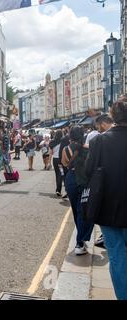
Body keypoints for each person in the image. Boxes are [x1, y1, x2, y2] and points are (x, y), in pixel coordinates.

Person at [85, 99, 127, 300]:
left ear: (113, 117)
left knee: (117, 256)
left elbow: (88, 172)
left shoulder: (98, 141)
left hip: (108, 207)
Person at [62, 126, 93, 256]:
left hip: (71, 180)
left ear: (70, 136)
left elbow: (64, 164)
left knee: (76, 209)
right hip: (85, 181)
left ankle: (80, 240)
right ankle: (80, 242)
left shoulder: (66, 149)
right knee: (85, 210)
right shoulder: (89, 148)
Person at [87, 114, 114, 248]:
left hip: (107, 198)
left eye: (98, 126)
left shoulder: (97, 141)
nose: (98, 129)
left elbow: (89, 169)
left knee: (114, 250)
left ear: (103, 123)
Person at [49, 130, 65, 197]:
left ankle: (58, 190)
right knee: (61, 174)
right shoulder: (63, 141)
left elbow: (50, 153)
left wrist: (49, 162)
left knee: (57, 174)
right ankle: (60, 190)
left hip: (55, 160)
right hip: (61, 160)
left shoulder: (52, 141)